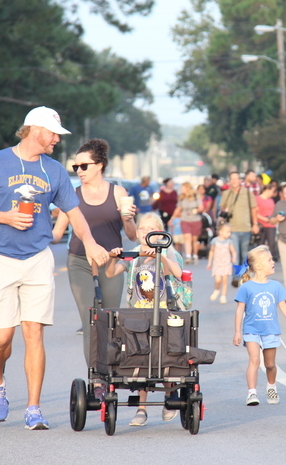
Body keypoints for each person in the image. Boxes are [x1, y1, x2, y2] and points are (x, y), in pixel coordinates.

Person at [0, 106, 110, 429]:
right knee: (1, 337)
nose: (57, 139)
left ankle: (33, 408)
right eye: (54, 133)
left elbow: (75, 211)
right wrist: (6, 217)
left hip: (37, 259)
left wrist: (90, 242)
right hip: (0, 257)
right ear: (34, 130)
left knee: (34, 333)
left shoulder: (53, 170)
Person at [51, 138, 137, 368]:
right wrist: (29, 231)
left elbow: (132, 235)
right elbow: (57, 233)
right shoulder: (71, 194)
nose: (79, 171)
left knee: (110, 320)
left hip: (110, 263)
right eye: (75, 167)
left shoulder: (118, 192)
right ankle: (97, 377)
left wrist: (128, 218)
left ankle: (112, 370)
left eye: (84, 166)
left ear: (99, 165)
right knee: (91, 320)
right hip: (79, 262)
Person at [104, 212, 183, 426]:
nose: (146, 233)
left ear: (160, 233)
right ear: (137, 233)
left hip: (163, 313)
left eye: (151, 229)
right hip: (138, 314)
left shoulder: (167, 251)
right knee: (140, 357)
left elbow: (177, 272)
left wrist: (160, 255)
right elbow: (111, 273)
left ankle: (169, 397)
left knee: (164, 357)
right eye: (142, 229)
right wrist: (114, 257)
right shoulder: (135, 255)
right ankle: (141, 408)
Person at [232, 245, 286, 406]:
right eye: (269, 260)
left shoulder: (275, 286)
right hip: (251, 330)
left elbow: (283, 306)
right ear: (258, 266)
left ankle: (271, 386)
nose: (273, 262)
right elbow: (239, 310)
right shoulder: (247, 287)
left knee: (270, 364)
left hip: (270, 331)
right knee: (254, 360)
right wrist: (237, 332)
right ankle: (252, 393)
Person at [220, 171, 258, 265]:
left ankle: (244, 277)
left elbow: (253, 209)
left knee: (244, 255)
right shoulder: (226, 194)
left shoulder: (247, 193)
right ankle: (236, 278)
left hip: (246, 228)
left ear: (240, 180)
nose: (234, 181)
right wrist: (225, 211)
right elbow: (222, 208)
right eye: (232, 179)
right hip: (232, 228)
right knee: (235, 254)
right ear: (229, 181)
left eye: (236, 179)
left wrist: (255, 224)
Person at [173, 181, 203, 264]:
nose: (181, 189)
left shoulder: (196, 196)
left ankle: (195, 255)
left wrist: (196, 210)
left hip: (195, 219)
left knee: (194, 239)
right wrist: (172, 218)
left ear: (187, 188)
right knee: (187, 238)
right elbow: (178, 208)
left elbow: (201, 207)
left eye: (182, 187)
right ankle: (188, 256)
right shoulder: (181, 197)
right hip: (185, 219)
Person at [207, 221, 236, 304]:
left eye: (230, 232)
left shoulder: (229, 242)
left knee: (225, 281)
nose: (229, 234)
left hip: (226, 264)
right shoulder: (215, 241)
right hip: (217, 264)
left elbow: (233, 251)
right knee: (217, 280)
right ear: (220, 232)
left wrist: (234, 258)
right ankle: (216, 290)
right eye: (227, 232)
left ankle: (223, 296)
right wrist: (209, 263)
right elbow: (211, 251)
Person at [256, 182, 279, 261]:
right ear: (267, 190)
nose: (273, 193)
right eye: (272, 191)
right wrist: (263, 219)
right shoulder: (257, 199)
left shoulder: (271, 200)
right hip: (261, 224)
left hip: (271, 225)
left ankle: (270, 260)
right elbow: (254, 213)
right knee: (260, 244)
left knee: (272, 244)